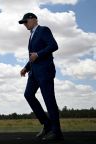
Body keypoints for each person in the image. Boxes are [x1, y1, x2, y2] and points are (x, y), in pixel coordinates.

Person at [18, 13, 63, 141]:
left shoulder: (43, 30)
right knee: (28, 95)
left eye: (26, 21)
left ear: (34, 19)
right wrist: (26, 67)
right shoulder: (31, 36)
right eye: (23, 23)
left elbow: (54, 45)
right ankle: (46, 124)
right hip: (34, 72)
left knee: (49, 100)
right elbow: (32, 56)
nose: (25, 24)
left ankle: (57, 132)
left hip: (45, 71)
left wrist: (38, 54)